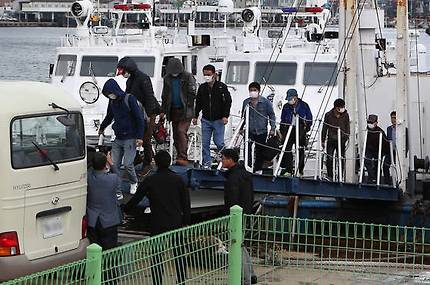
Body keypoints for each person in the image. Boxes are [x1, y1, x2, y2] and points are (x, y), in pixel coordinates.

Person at [124, 150, 191, 285]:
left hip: (157, 221)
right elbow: (186, 202)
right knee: (179, 253)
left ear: (157, 163)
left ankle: (157, 281)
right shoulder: (178, 179)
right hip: (176, 221)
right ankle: (181, 280)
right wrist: (186, 221)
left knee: (157, 255)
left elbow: (137, 198)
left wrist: (125, 210)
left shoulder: (150, 179)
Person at [98, 79, 145, 194]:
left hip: (130, 137)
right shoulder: (112, 102)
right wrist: (102, 127)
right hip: (117, 138)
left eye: (110, 93)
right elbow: (109, 116)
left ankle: (134, 182)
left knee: (128, 164)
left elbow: (139, 118)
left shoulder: (130, 99)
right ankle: (117, 191)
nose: (110, 96)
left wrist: (140, 137)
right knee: (115, 166)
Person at [117, 57, 161, 173]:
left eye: (123, 71)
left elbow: (149, 97)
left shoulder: (143, 78)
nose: (123, 74)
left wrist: (149, 115)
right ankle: (137, 158)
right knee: (134, 136)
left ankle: (148, 163)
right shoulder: (130, 80)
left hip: (148, 112)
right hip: (137, 112)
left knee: (146, 139)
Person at [221, 148, 257, 285]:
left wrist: (229, 217)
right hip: (246, 212)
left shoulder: (233, 178)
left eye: (223, 158)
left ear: (230, 160)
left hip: (236, 216)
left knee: (237, 246)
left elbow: (232, 199)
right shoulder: (245, 175)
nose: (222, 161)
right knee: (242, 245)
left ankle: (245, 278)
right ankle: (251, 274)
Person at [193, 64, 232, 168]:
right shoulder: (202, 87)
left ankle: (224, 160)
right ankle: (207, 164)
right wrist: (195, 116)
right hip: (206, 120)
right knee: (205, 143)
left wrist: (225, 116)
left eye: (208, 74)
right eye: (205, 74)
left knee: (219, 142)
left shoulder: (221, 87)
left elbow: (227, 101)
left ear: (214, 74)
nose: (206, 76)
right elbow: (198, 103)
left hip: (218, 120)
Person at [160, 58, 196, 166]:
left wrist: (190, 105)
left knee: (181, 131)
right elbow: (164, 95)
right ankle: (179, 155)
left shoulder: (188, 76)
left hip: (185, 111)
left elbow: (192, 91)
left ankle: (183, 157)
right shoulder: (167, 78)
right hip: (173, 110)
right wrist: (163, 110)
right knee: (175, 134)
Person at [87, 152, 122, 250]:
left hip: (92, 220)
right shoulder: (112, 178)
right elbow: (119, 176)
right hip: (109, 221)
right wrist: (111, 163)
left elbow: (89, 170)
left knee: (94, 250)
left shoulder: (88, 177)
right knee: (110, 251)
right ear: (105, 164)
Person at [242, 82, 276, 174]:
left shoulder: (265, 102)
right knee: (247, 148)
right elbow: (243, 116)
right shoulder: (246, 102)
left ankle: (258, 169)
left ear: (259, 91)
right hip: (249, 130)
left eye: (255, 90)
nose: (253, 92)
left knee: (260, 150)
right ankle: (247, 166)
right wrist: (241, 128)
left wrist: (273, 128)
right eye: (251, 90)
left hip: (261, 130)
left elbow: (271, 115)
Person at [280, 88, 313, 176]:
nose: (289, 100)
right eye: (288, 99)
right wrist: (282, 131)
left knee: (301, 150)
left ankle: (300, 170)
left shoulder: (304, 105)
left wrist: (307, 128)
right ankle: (288, 169)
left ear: (296, 97)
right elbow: (282, 119)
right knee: (287, 149)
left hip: (301, 129)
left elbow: (309, 118)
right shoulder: (286, 106)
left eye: (291, 98)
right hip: (288, 129)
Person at [321, 98, 350, 180]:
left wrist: (346, 136)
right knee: (329, 158)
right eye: (341, 107)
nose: (342, 108)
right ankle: (330, 176)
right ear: (336, 107)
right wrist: (323, 140)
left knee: (341, 158)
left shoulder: (345, 115)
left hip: (341, 140)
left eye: (343, 106)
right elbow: (324, 128)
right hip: (331, 140)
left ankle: (341, 176)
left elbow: (347, 126)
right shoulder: (328, 115)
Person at [364, 114, 391, 184]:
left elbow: (386, 144)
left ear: (376, 123)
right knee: (367, 161)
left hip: (379, 151)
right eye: (369, 122)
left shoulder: (380, 132)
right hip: (370, 150)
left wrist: (383, 153)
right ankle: (372, 178)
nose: (370, 124)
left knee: (377, 166)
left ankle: (376, 180)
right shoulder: (367, 130)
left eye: (371, 123)